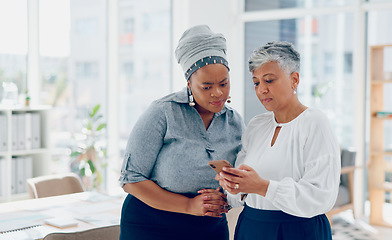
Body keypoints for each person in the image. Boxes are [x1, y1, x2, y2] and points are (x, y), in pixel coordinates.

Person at [118, 25, 245, 240]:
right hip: (151, 225)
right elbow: (131, 179)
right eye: (206, 86)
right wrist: (188, 205)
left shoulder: (234, 122)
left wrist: (226, 195)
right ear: (189, 83)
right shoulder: (163, 112)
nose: (218, 93)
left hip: (209, 226)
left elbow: (235, 179)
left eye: (224, 84)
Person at [215, 41, 341, 239]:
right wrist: (234, 185)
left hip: (298, 230)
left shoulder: (314, 122)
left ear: (294, 80)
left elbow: (321, 196)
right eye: (256, 82)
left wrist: (263, 187)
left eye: (269, 80)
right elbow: (241, 192)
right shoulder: (256, 125)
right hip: (251, 226)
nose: (261, 89)